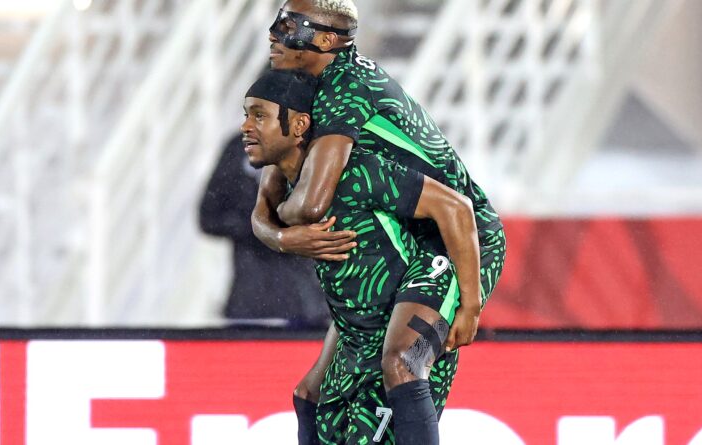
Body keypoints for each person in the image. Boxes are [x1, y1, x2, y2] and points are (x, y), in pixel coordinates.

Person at [252, 1, 506, 443]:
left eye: (288, 24)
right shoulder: (308, 88)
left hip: (457, 237)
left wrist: (470, 306)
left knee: (403, 362)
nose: (274, 33)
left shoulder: (345, 89)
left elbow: (308, 205)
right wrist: (282, 237)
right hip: (410, 234)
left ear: (326, 40)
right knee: (312, 391)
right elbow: (265, 208)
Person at [198, 133, 330, 328]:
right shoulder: (241, 147)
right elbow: (209, 217)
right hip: (253, 302)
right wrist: (260, 225)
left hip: (309, 305)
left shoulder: (322, 145)